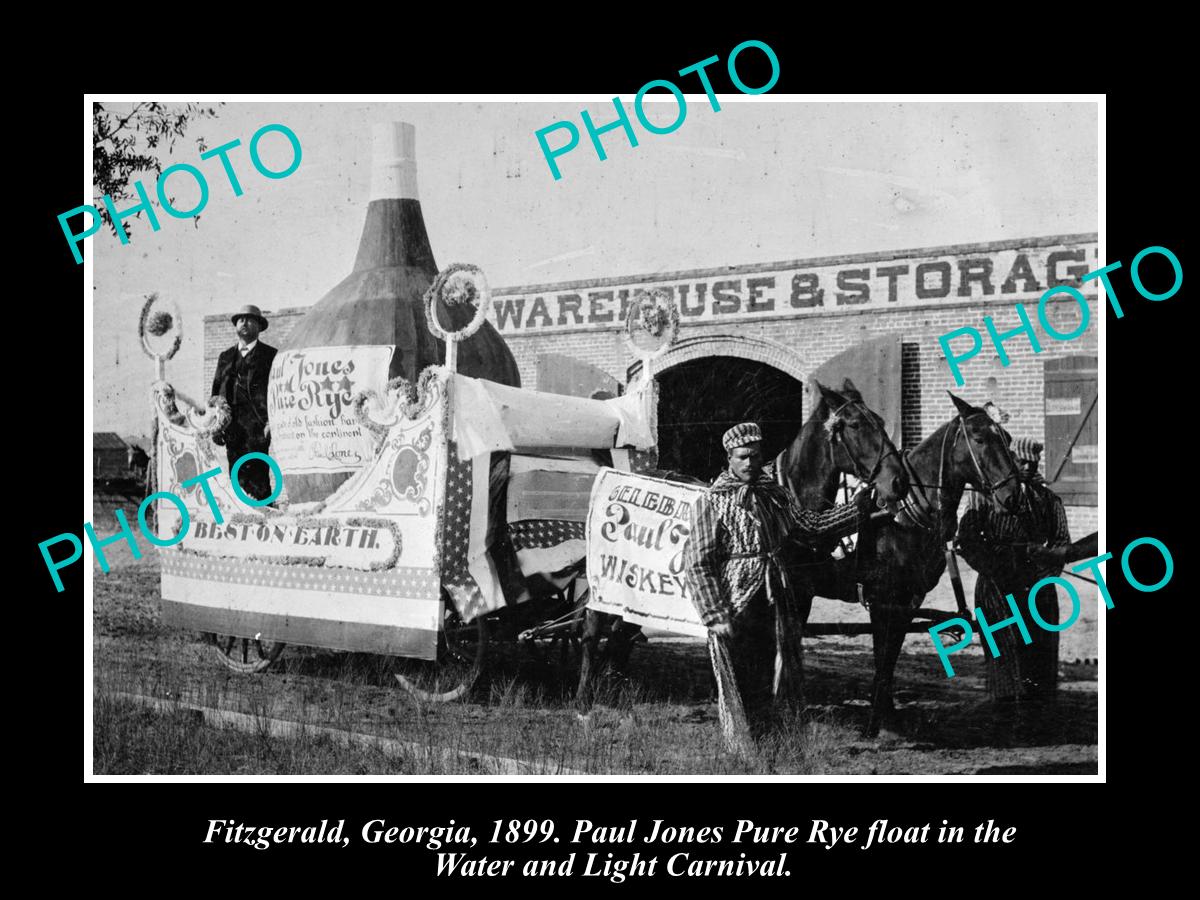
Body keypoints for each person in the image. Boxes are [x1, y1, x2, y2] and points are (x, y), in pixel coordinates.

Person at [683, 422, 866, 755]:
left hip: (776, 594)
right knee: (743, 675)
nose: (750, 463)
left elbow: (811, 528)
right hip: (736, 600)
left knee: (777, 670)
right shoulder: (712, 502)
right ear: (730, 458)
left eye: (755, 456)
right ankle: (746, 752)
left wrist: (860, 509)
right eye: (742, 457)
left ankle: (774, 746)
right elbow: (697, 563)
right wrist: (714, 613)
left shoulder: (775, 496)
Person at [957, 437, 1071, 701]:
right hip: (995, 585)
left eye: (1034, 462)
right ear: (1010, 461)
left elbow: (1062, 543)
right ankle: (1003, 712)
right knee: (1002, 647)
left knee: (1039, 649)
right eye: (1022, 461)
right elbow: (967, 540)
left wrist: (1043, 574)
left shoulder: (1048, 500)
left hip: (1037, 585)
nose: (1029, 467)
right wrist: (996, 570)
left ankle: (1038, 714)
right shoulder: (982, 496)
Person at [211, 305, 278, 501]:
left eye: (250, 319)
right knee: (236, 475)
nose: (244, 323)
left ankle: (262, 517)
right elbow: (215, 392)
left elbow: (276, 392)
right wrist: (216, 427)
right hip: (232, 428)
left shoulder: (270, 355)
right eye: (240, 319)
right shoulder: (225, 357)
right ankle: (240, 519)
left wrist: (271, 423)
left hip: (258, 427)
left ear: (259, 326)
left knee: (258, 475)